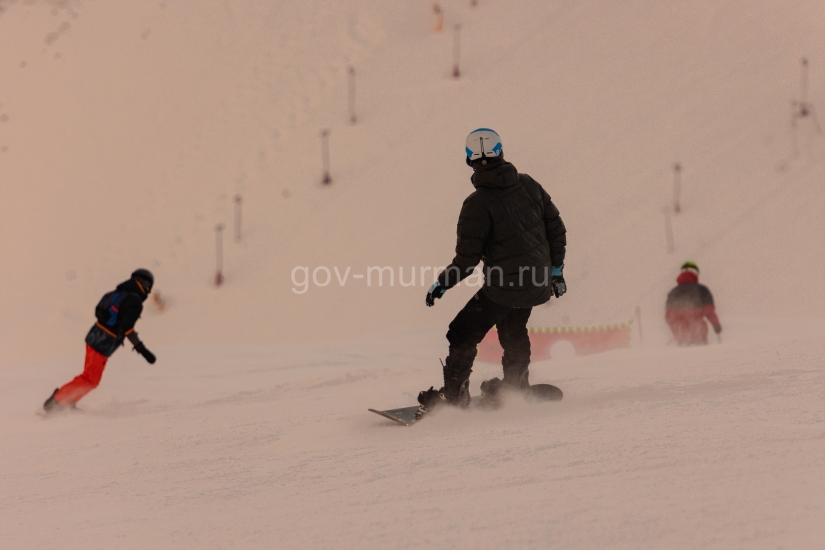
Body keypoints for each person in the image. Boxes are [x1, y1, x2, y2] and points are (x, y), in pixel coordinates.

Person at [416, 128, 567, 419]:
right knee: (513, 330)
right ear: (500, 152)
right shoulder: (529, 185)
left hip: (504, 287)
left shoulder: (476, 204)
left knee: (461, 332)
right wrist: (556, 272)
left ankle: (454, 398)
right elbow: (556, 230)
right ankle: (515, 389)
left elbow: (467, 260)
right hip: (537, 283)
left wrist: (442, 284)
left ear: (469, 160)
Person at [43, 269, 157, 412]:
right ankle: (56, 402)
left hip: (95, 336)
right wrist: (141, 348)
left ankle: (67, 400)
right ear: (143, 283)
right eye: (148, 286)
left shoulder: (117, 293)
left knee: (89, 378)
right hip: (103, 342)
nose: (148, 291)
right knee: (90, 379)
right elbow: (127, 327)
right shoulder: (134, 301)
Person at [665, 261, 722, 345]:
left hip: (681, 336)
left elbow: (668, 316)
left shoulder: (673, 293)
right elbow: (709, 312)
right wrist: (717, 327)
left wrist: (676, 331)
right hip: (699, 335)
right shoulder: (702, 290)